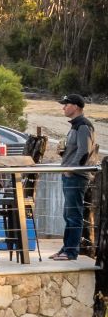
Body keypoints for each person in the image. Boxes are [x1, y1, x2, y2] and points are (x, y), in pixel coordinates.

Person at [55, 93, 98, 261]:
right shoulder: (75, 125)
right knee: (69, 214)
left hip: (76, 176)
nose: (64, 107)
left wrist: (71, 169)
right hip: (70, 175)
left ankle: (71, 252)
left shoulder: (83, 125)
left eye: (67, 104)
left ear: (76, 107)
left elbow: (84, 151)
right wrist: (64, 153)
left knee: (74, 215)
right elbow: (76, 150)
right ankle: (66, 248)